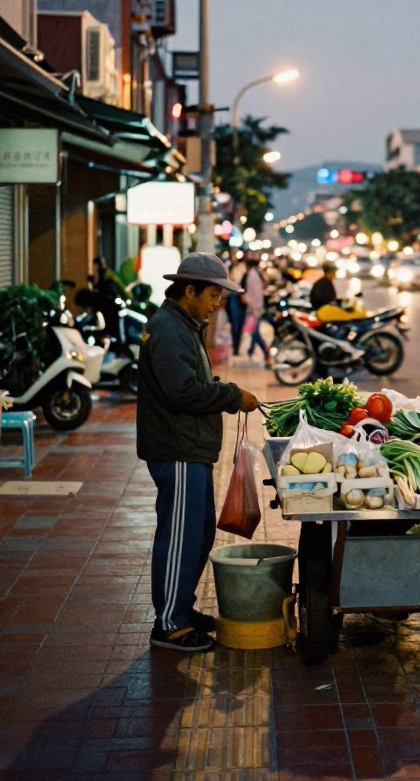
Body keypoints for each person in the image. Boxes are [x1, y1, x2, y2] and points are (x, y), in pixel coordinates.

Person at [137, 252, 260, 652]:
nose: (218, 302)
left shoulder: (184, 324)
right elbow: (183, 390)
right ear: (189, 290)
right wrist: (230, 395)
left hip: (191, 449)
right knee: (179, 538)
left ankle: (182, 610)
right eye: (213, 294)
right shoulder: (170, 328)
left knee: (198, 534)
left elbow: (189, 379)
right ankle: (169, 623)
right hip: (178, 449)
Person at [241, 259, 270, 362]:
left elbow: (255, 293)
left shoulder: (252, 275)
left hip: (254, 308)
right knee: (254, 330)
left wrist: (254, 308)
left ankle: (265, 349)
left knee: (254, 331)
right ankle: (251, 350)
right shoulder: (256, 275)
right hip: (256, 307)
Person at [224, 255, 247, 357]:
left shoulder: (238, 269)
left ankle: (236, 348)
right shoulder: (240, 270)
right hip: (238, 297)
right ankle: (236, 348)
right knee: (238, 325)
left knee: (236, 324)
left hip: (237, 297)